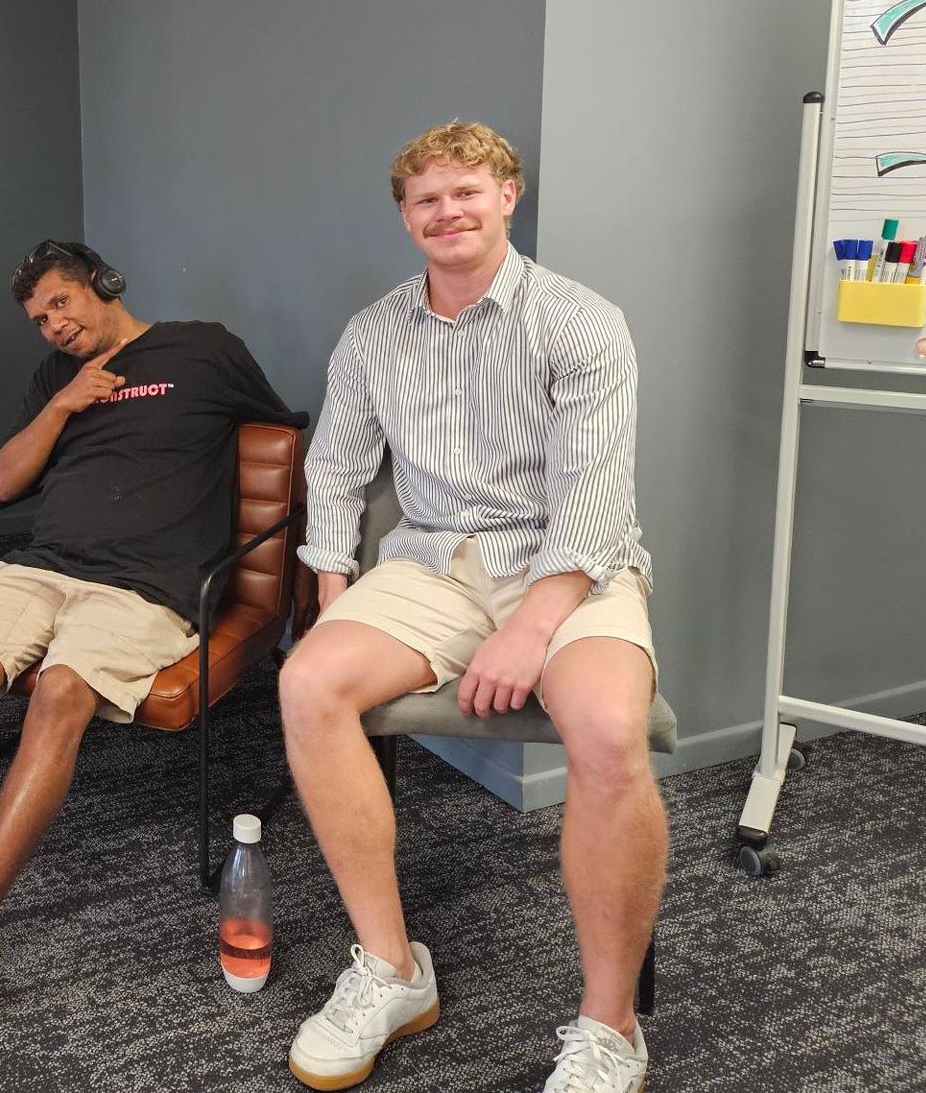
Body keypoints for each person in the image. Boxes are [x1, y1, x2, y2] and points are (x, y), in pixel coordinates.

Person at [0, 240, 302, 1023]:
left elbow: (285, 447)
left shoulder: (205, 348)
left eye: (61, 303)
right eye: (38, 317)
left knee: (61, 690)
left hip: (147, 585)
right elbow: (6, 480)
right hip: (42, 565)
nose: (51, 324)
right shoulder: (56, 378)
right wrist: (62, 404)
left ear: (103, 286)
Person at [279, 121, 662, 1093]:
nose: (447, 212)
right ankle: (392, 969)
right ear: (406, 219)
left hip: (571, 564)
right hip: (436, 562)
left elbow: (594, 503)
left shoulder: (582, 322)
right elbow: (335, 467)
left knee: (609, 729)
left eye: (466, 191)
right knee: (309, 684)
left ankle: (609, 1025)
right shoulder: (374, 334)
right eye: (425, 200)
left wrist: (532, 628)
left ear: (507, 196)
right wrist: (330, 591)